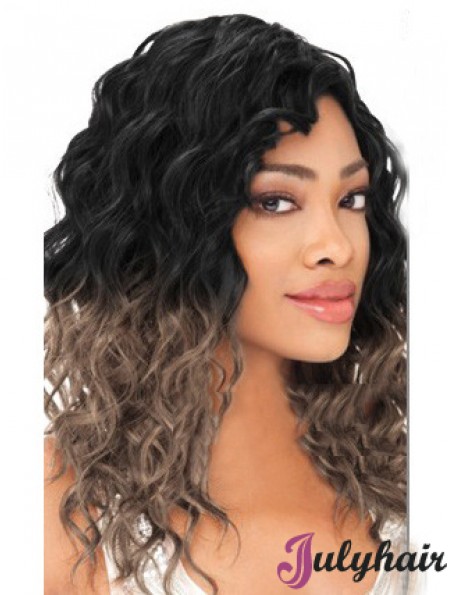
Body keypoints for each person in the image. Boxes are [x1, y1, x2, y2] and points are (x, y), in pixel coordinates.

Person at [44, 14, 414, 594]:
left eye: (352, 198)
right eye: (276, 202)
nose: (338, 247)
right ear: (173, 228)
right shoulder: (54, 513)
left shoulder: (405, 474)